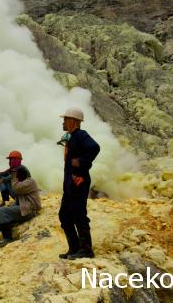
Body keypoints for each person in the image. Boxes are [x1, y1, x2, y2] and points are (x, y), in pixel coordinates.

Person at [58, 107, 100, 260]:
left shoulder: (81, 134)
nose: (63, 122)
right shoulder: (71, 137)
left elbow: (95, 148)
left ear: (73, 121)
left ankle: (86, 250)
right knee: (64, 215)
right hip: (70, 183)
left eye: (65, 119)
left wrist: (81, 162)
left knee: (79, 215)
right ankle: (74, 248)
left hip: (78, 182)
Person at [0, 165, 41, 247]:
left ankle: (7, 238)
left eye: (17, 175)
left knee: (3, 212)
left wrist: (13, 178)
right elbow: (19, 199)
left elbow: (16, 189)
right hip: (24, 208)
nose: (15, 176)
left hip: (30, 210)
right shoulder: (24, 181)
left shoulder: (30, 182)